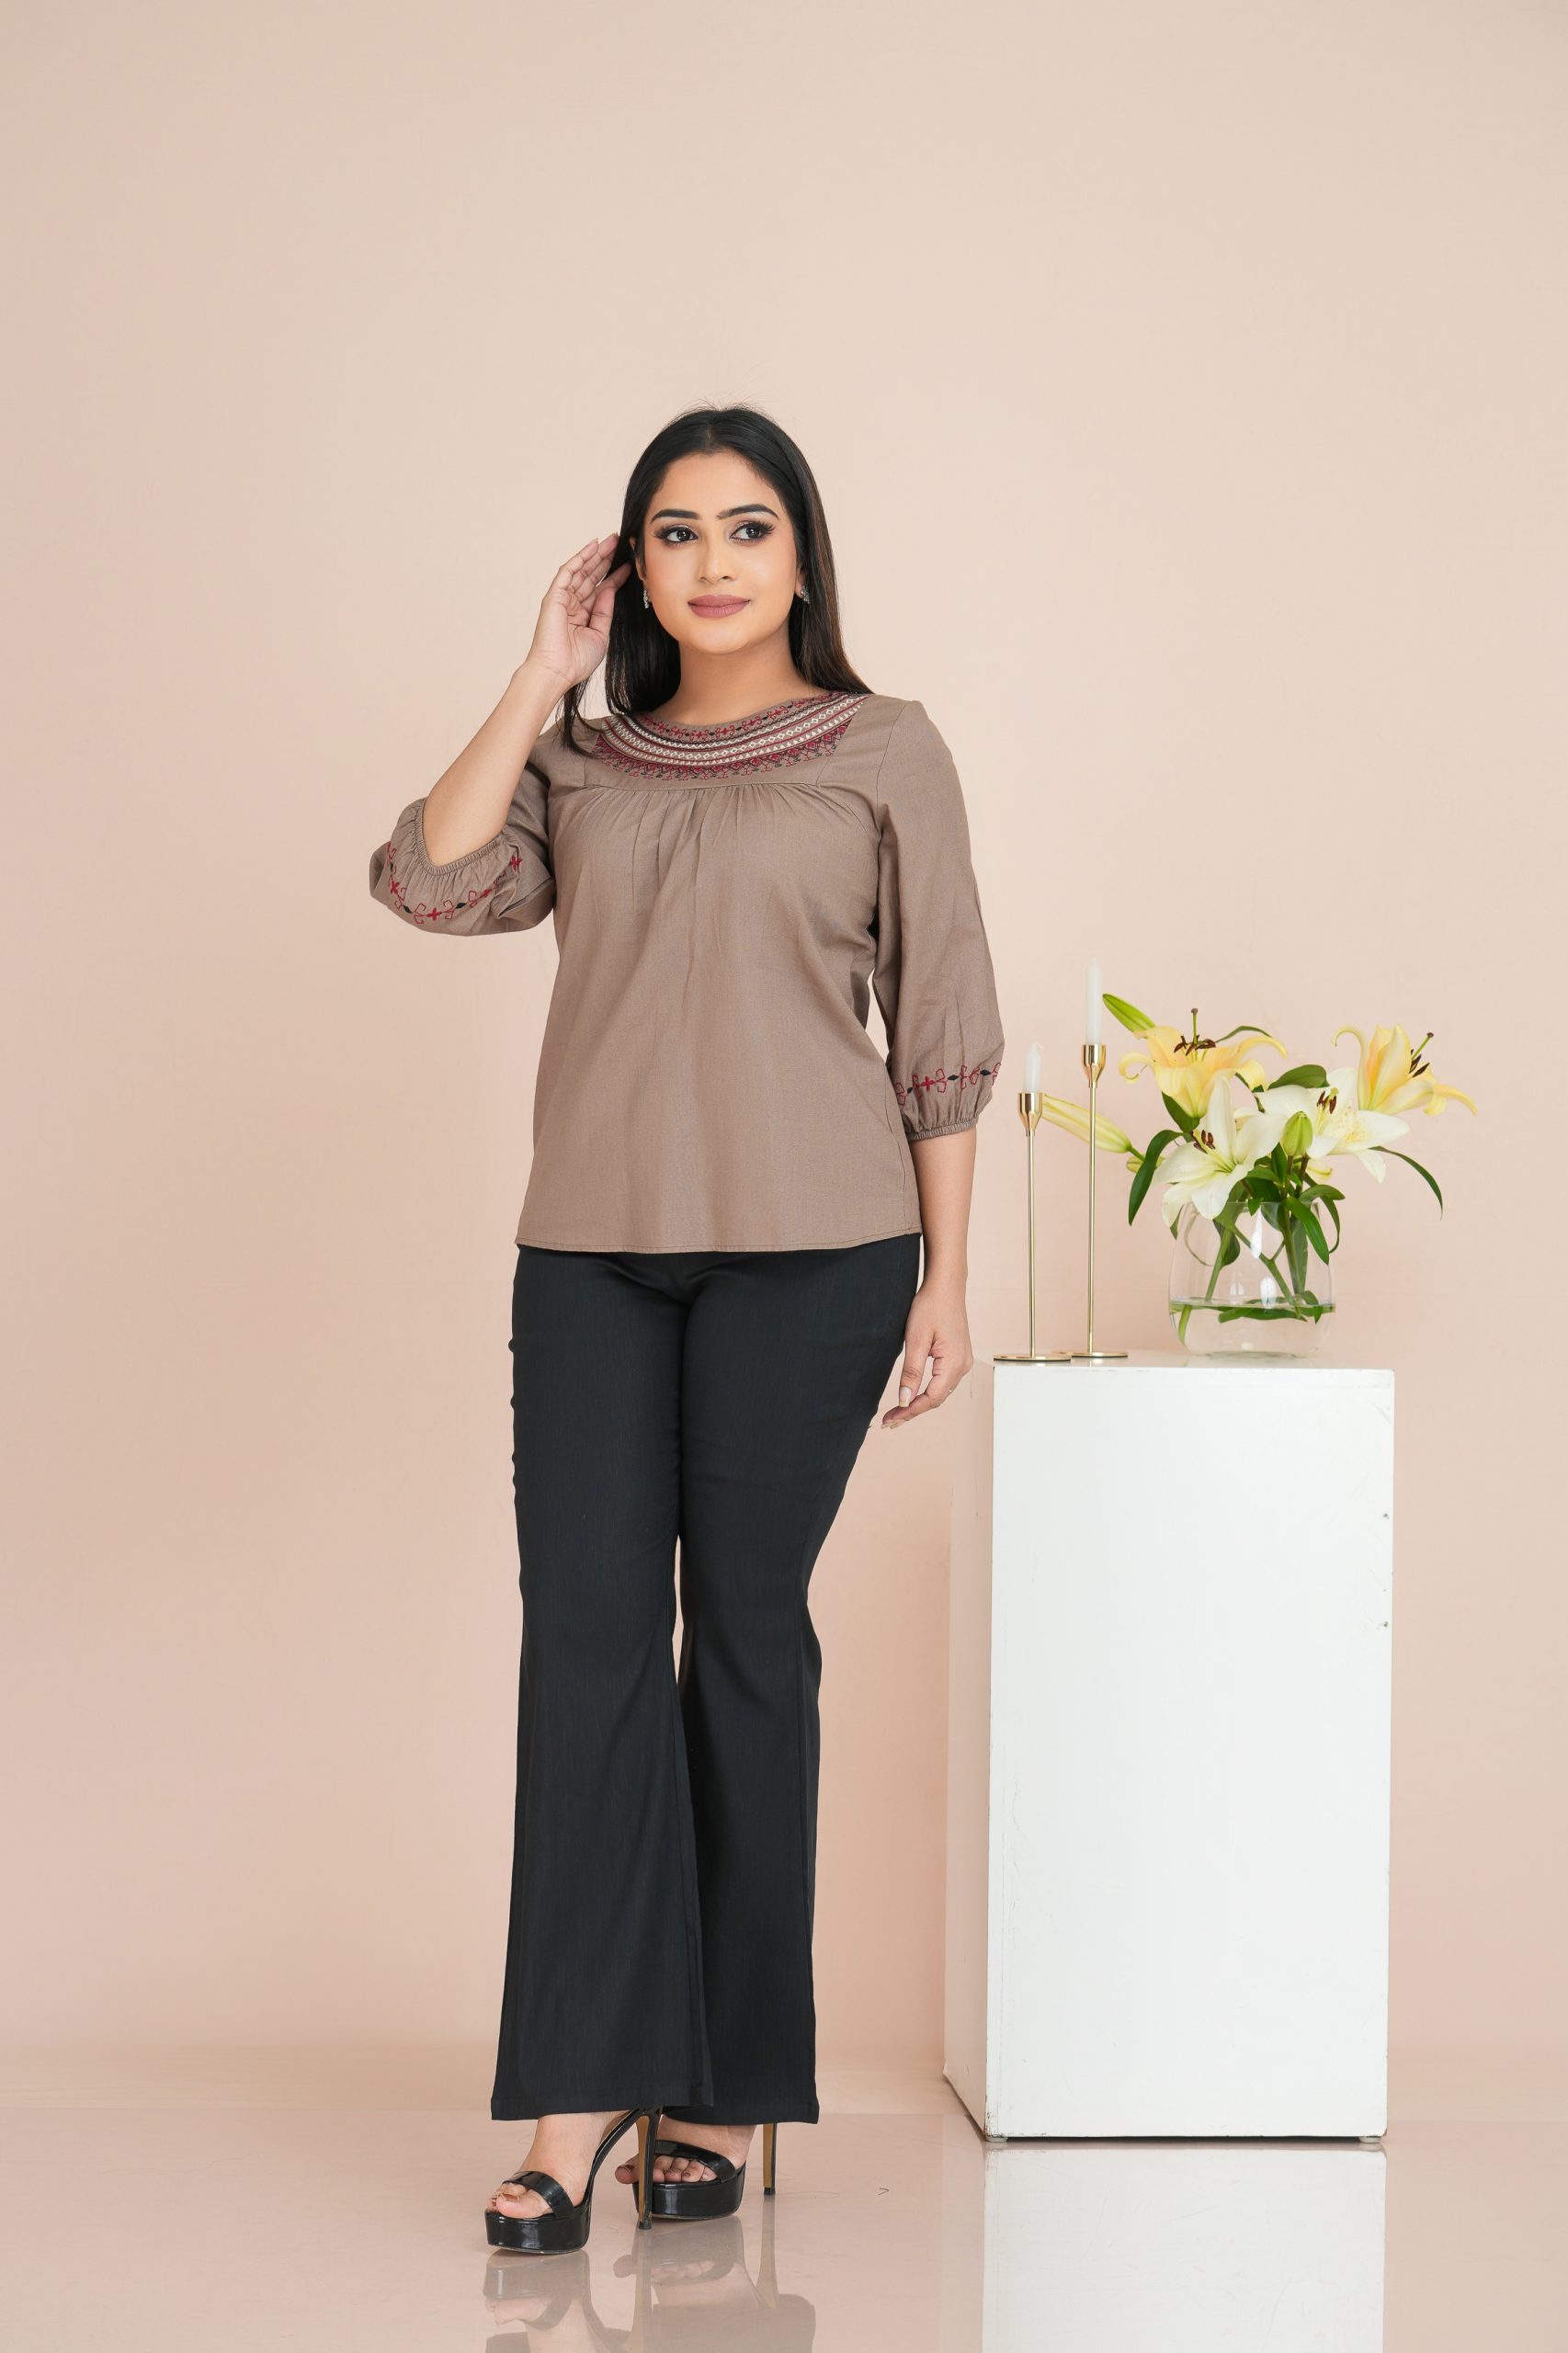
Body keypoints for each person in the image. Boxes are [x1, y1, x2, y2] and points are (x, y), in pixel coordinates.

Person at [368, 404, 1006, 2254]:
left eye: (745, 527)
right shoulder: (585, 760)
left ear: (800, 556)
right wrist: (535, 677)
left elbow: (944, 1015)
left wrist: (947, 1279)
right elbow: (430, 879)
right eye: (674, 531)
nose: (711, 561)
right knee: (584, 1648)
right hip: (589, 1255)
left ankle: (719, 2084)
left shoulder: (886, 749)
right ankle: (575, 2101)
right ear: (630, 567)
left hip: (818, 1256)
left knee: (740, 1640)